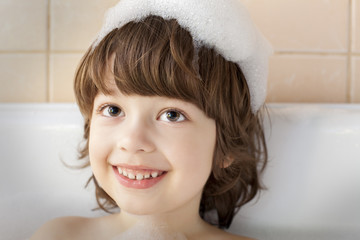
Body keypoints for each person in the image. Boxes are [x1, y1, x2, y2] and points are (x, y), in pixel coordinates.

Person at [31, 0, 272, 239]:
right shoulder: (59, 235)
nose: (132, 141)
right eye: (113, 110)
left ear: (226, 146)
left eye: (172, 115)